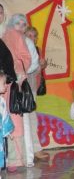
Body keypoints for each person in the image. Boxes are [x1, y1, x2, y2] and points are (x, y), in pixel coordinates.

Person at [3, 14, 33, 171]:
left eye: (23, 24)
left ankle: (9, 159)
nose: (21, 27)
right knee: (16, 120)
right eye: (18, 23)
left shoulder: (4, 35)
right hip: (13, 84)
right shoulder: (17, 36)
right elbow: (25, 59)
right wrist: (20, 72)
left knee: (6, 119)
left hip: (4, 84)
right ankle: (15, 161)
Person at [23, 26, 49, 162]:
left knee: (31, 118)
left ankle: (32, 149)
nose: (33, 39)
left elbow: (36, 71)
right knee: (31, 119)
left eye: (35, 36)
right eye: (29, 36)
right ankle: (35, 149)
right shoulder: (22, 50)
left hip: (32, 89)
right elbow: (26, 70)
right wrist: (39, 66)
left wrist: (43, 65)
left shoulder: (37, 50)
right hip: (24, 89)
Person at [0, 71, 14, 168]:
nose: (6, 85)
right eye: (4, 83)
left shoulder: (2, 101)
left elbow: (5, 118)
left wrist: (8, 132)